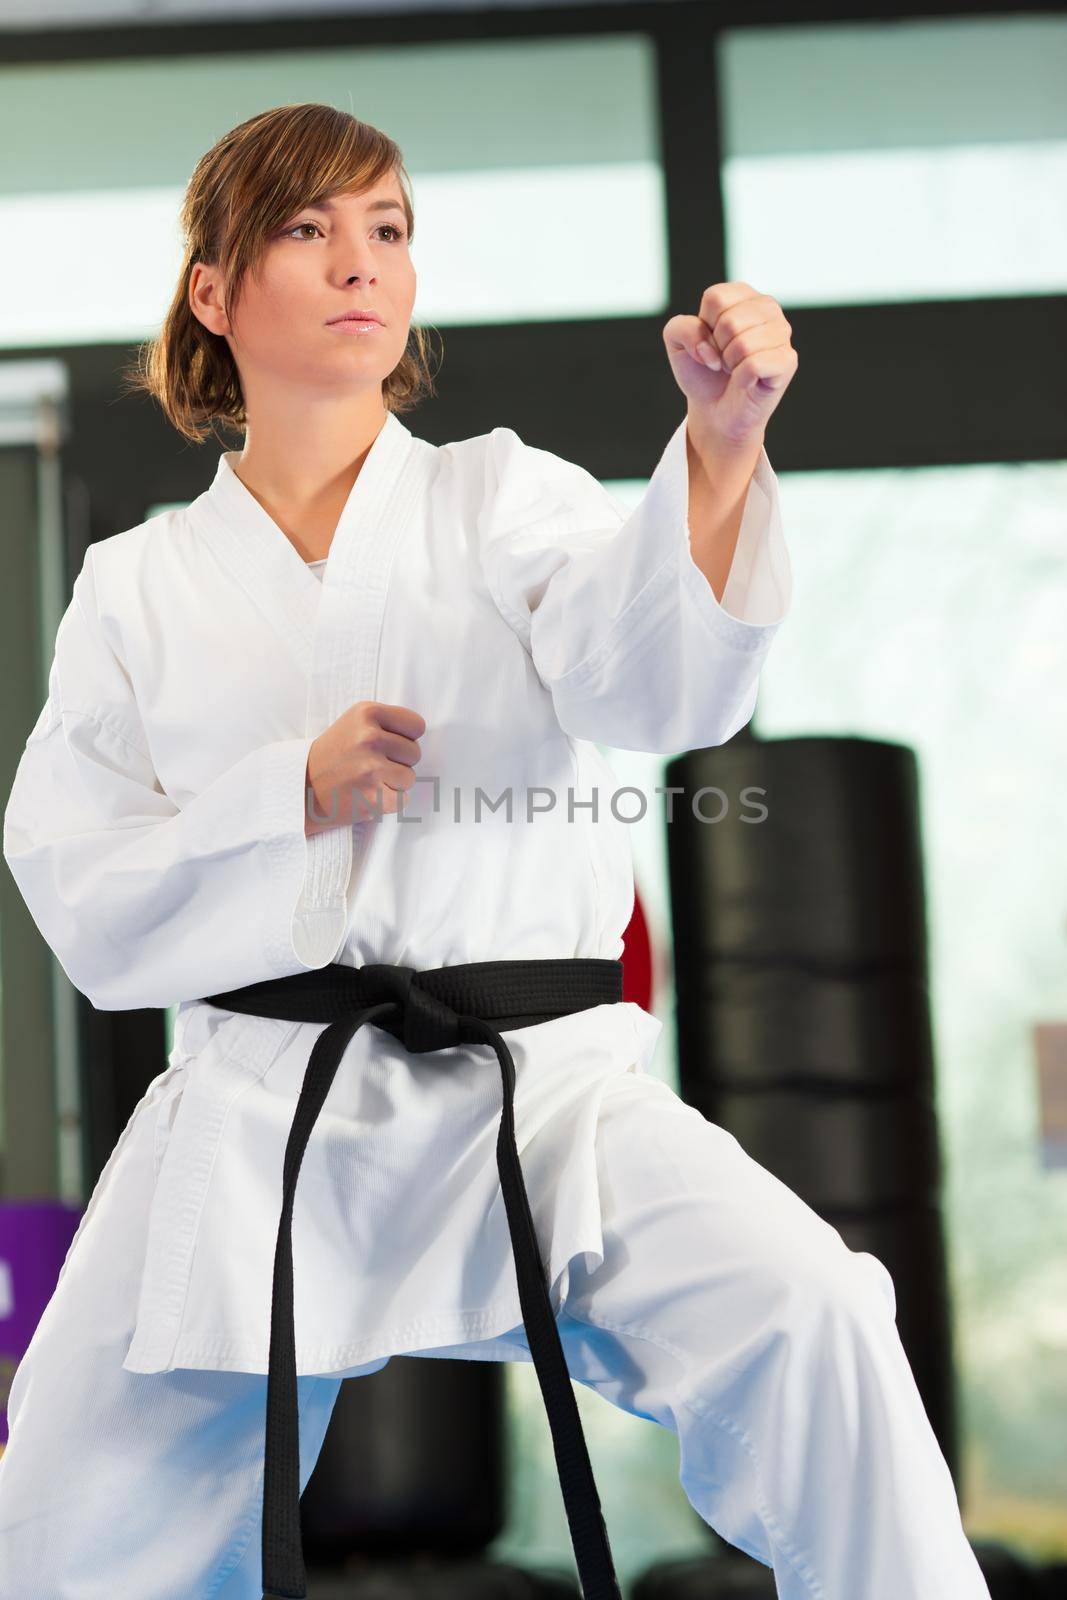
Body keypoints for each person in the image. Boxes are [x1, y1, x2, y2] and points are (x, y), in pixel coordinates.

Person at [0, 101, 990, 1600]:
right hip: (258, 1110)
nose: (363, 265)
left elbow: (644, 685)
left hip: (544, 1086)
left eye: (389, 230)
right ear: (214, 291)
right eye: (308, 228)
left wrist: (721, 445)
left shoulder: (500, 496)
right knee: (61, 1523)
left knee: (819, 1318)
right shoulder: (134, 588)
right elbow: (83, 890)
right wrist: (290, 795)